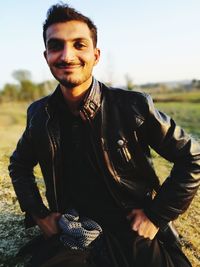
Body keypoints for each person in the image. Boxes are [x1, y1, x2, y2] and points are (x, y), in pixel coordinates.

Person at [9, 3, 200, 267]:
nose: (67, 55)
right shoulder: (40, 115)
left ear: (96, 56)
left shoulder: (133, 106)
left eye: (79, 44)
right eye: (56, 46)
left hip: (132, 228)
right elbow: (18, 164)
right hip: (73, 229)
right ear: (46, 56)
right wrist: (39, 214)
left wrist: (156, 216)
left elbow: (193, 157)